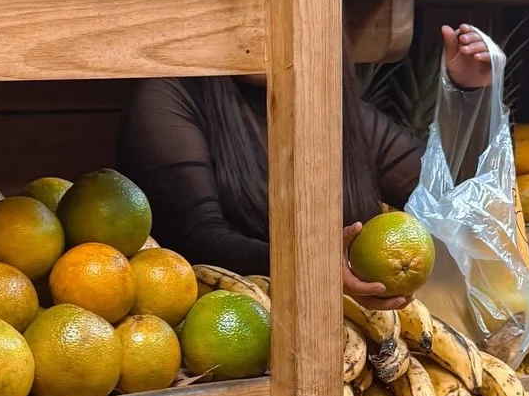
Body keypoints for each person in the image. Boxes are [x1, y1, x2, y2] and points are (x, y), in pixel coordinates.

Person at [116, 24, 492, 307]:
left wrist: (468, 94)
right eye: (256, 7)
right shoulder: (171, 98)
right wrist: (309, 267)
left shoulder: (344, 116)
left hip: (351, 347)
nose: (272, 24)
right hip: (232, 346)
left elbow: (450, 199)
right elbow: (196, 239)